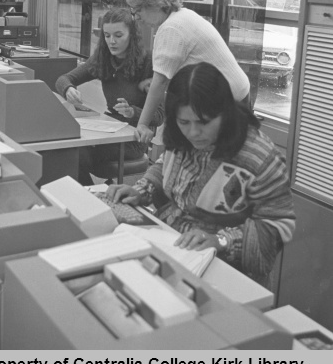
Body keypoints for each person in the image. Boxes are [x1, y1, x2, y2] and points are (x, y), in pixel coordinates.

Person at [106, 62, 295, 287]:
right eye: (184, 122)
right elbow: (164, 164)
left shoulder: (259, 155)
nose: (194, 132)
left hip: (226, 270)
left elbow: (278, 224)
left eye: (204, 122)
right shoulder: (181, 137)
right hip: (173, 248)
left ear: (224, 113)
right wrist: (143, 189)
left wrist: (222, 240)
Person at [126, 0, 251, 143]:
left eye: (138, 9)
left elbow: (160, 82)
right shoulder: (184, 16)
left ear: (154, 3)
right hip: (236, 96)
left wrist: (142, 125)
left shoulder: (170, 28)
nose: (136, 17)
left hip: (226, 105)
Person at [55, 7, 164, 185]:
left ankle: (93, 198)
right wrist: (68, 89)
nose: (111, 41)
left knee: (74, 154)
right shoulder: (103, 59)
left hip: (133, 139)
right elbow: (63, 79)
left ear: (132, 35)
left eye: (118, 35)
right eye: (106, 36)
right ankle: (95, 195)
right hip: (110, 128)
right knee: (67, 149)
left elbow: (159, 116)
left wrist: (132, 112)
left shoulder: (148, 62)